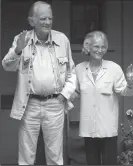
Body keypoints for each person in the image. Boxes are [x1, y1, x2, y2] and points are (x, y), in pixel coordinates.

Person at [2, 1, 76, 165]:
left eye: (50, 18)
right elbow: (7, 66)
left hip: (55, 104)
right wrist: (18, 50)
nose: (47, 22)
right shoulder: (21, 39)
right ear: (31, 21)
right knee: (26, 155)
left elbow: (72, 72)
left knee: (55, 156)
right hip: (30, 105)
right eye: (43, 19)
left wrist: (65, 95)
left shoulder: (62, 39)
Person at [71, 31, 133, 165]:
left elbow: (125, 91)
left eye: (103, 47)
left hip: (108, 128)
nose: (100, 50)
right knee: (92, 163)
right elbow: (75, 92)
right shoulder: (79, 69)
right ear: (88, 47)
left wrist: (130, 84)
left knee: (109, 163)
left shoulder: (113, 68)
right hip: (89, 128)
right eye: (96, 46)